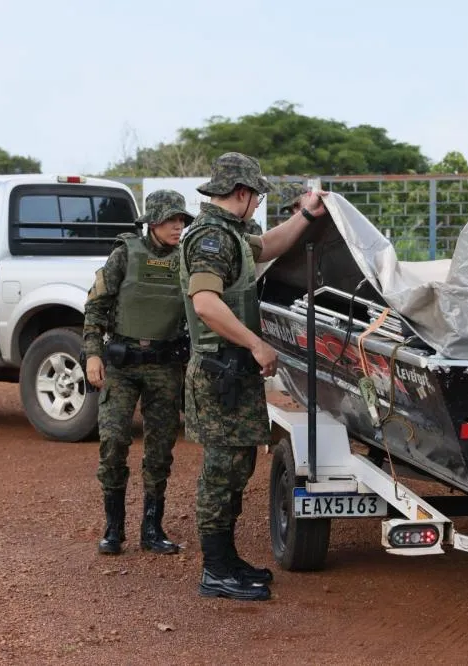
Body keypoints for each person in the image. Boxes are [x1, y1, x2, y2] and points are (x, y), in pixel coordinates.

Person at [179, 152, 328, 601]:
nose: (259, 204)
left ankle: (227, 561)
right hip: (219, 369)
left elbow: (272, 245)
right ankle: (215, 569)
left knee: (239, 463)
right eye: (257, 196)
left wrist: (306, 214)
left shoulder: (233, 234)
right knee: (222, 470)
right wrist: (255, 343)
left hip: (233, 369)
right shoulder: (210, 238)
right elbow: (205, 302)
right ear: (240, 194)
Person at [83, 189, 194, 556]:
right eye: (172, 220)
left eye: (182, 220)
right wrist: (92, 355)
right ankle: (113, 528)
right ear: (154, 222)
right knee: (113, 442)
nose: (179, 226)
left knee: (160, 448)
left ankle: (152, 528)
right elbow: (96, 306)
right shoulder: (124, 254)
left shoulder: (187, 259)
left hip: (165, 364)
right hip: (122, 364)